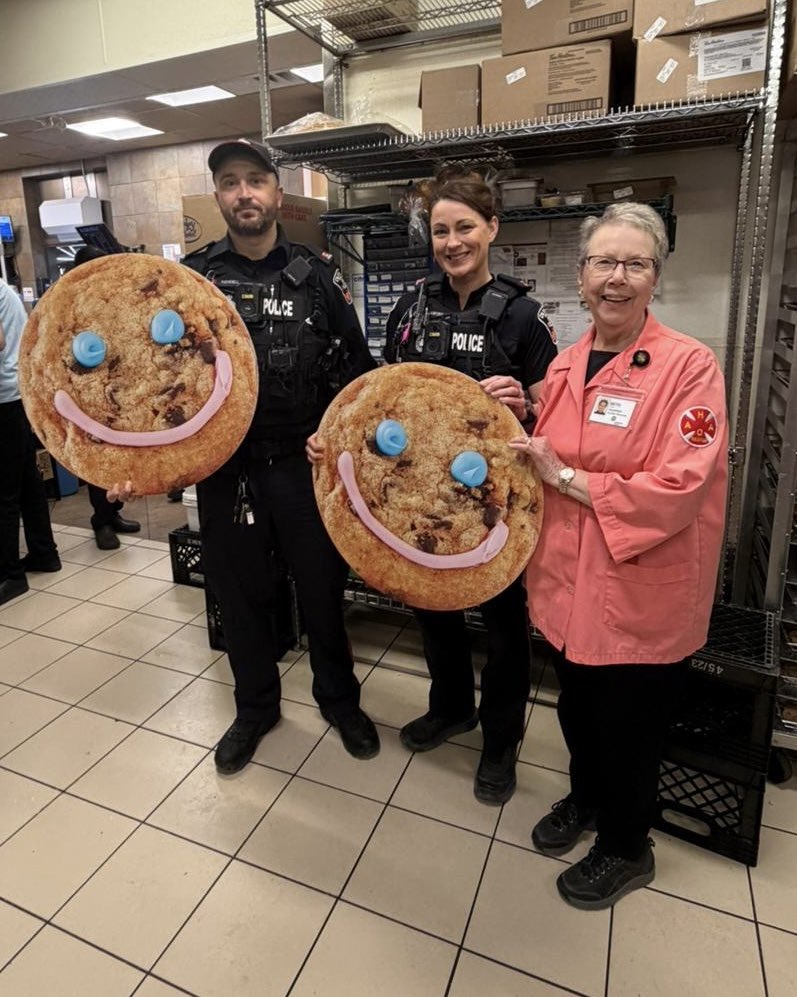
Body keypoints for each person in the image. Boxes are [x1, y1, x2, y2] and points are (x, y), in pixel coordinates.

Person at [509, 202, 728, 909]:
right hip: (570, 585)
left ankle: (627, 845)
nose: (616, 277)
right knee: (576, 711)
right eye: (604, 261)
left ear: (653, 278)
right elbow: (545, 450)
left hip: (639, 589)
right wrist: (516, 409)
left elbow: (679, 485)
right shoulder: (568, 362)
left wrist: (566, 478)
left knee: (629, 728)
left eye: (633, 263)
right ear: (580, 276)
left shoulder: (689, 367)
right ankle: (586, 798)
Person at [179, 138, 380, 772]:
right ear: (219, 196)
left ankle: (340, 700)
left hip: (304, 466)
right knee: (238, 597)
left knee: (321, 590)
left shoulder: (319, 278)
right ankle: (256, 707)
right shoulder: (193, 279)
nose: (244, 194)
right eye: (231, 182)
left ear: (277, 194)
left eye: (255, 181)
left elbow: (359, 375)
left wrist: (344, 445)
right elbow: (160, 376)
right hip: (224, 471)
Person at [383, 168, 558, 804]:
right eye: (440, 231)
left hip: (499, 508)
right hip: (424, 495)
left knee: (505, 626)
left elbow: (556, 411)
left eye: (464, 228)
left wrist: (526, 405)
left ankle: (500, 741)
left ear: (491, 229)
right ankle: (451, 707)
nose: (452, 241)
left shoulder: (522, 315)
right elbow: (386, 399)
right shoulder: (411, 309)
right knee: (434, 607)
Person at [70, 245, 142, 550]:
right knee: (98, 462)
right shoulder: (74, 304)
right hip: (90, 398)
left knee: (119, 457)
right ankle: (101, 520)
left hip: (118, 394)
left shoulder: (109, 298)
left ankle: (113, 514)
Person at [0, 280, 61, 606]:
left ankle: (9, 574)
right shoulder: (4, 290)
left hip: (3, 399)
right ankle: (43, 552)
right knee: (27, 483)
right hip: (16, 393)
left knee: (4, 493)